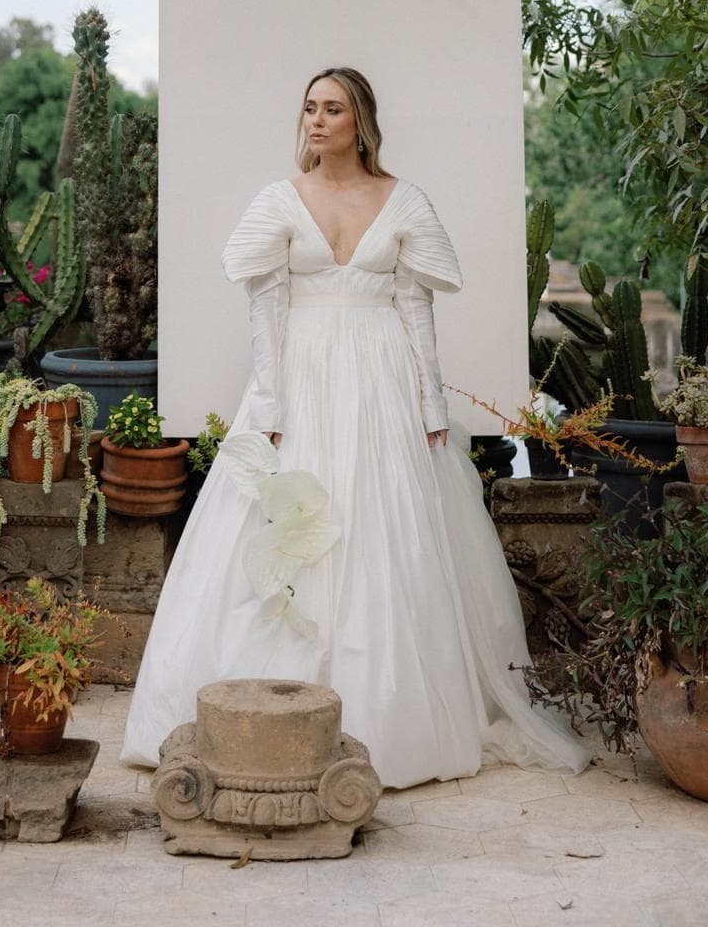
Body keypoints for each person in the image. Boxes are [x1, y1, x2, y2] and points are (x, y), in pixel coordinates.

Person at [121, 67, 586, 786]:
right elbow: (265, 311)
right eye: (308, 107)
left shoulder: (404, 201)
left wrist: (432, 407)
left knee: (381, 527)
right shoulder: (280, 200)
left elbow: (415, 310)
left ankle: (384, 723)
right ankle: (258, 712)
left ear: (360, 120)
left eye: (331, 109)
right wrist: (269, 407)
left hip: (380, 376)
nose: (315, 120)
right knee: (281, 530)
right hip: (301, 375)